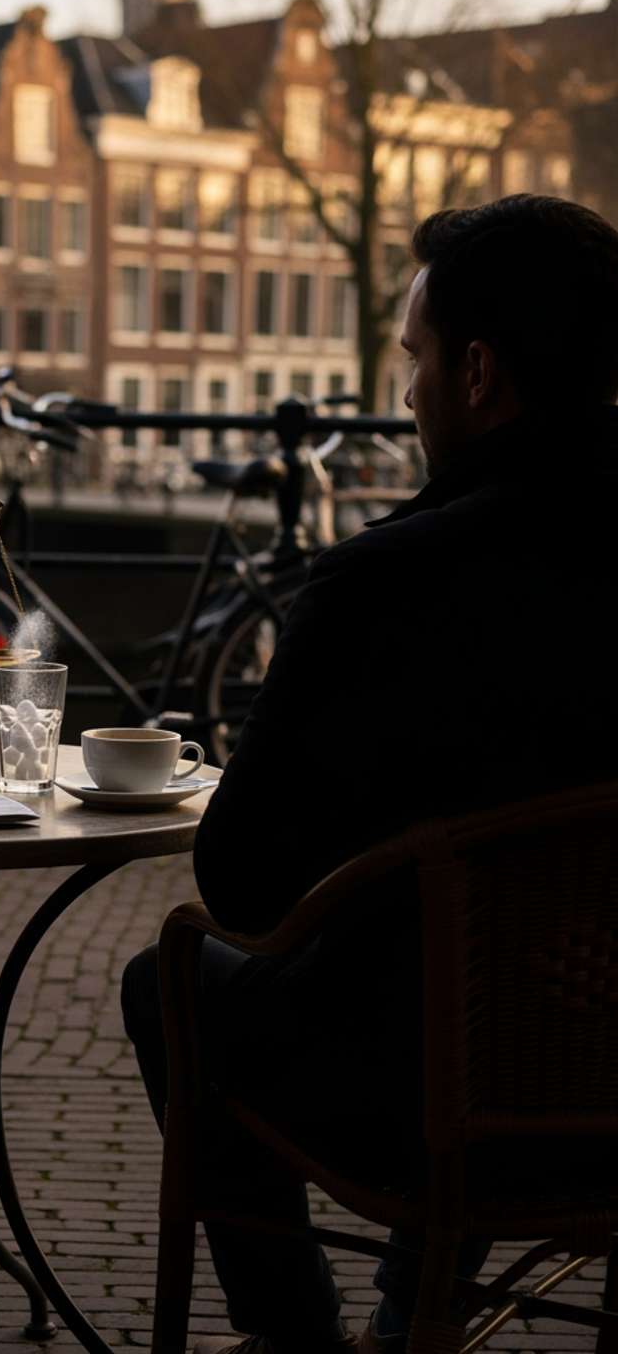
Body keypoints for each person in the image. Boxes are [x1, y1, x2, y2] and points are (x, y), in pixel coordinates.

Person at [121, 193, 618, 1354]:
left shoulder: (382, 584)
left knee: (171, 979)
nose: (404, 394)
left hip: (425, 1094)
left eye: (414, 359)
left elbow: (240, 880)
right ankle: (420, 1295)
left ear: (476, 372)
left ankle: (296, 1336)